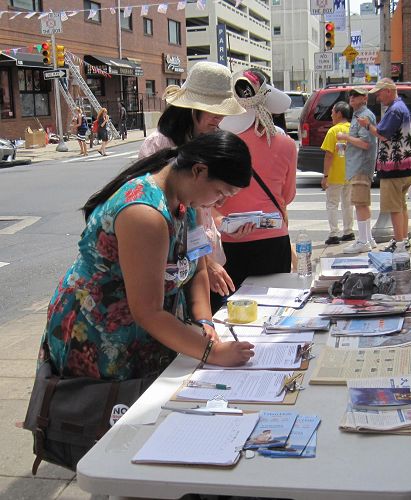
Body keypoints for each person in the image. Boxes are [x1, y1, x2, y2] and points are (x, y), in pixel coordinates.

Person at [38, 130, 255, 381]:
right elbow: (147, 310)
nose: (219, 203)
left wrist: (205, 321)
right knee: (102, 411)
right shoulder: (145, 213)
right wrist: (213, 352)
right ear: (199, 171)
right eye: (220, 193)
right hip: (99, 330)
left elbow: (198, 269)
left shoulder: (188, 202)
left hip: (148, 328)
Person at [139, 61, 252, 301]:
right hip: (174, 263)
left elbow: (200, 210)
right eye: (214, 110)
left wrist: (222, 224)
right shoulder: (160, 145)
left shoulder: (205, 139)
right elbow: (173, 212)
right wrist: (205, 262)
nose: (219, 118)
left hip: (202, 257)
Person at [215, 69, 297, 312]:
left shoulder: (221, 144)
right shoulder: (285, 144)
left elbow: (208, 201)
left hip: (230, 239)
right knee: (273, 309)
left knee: (234, 313)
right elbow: (288, 195)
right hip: (273, 239)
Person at [357, 78, 411, 253]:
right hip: (405, 167)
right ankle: (402, 240)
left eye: (380, 93)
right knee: (401, 205)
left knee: (394, 208)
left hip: (394, 168)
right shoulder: (400, 108)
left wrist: (367, 125)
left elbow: (382, 134)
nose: (378, 97)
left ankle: (399, 244)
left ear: (389, 91)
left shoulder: (395, 110)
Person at [337, 87, 377, 254]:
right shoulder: (358, 115)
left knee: (360, 203)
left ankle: (363, 240)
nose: (352, 98)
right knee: (362, 203)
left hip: (360, 165)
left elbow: (366, 143)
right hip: (358, 164)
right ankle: (367, 238)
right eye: (351, 96)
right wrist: (348, 144)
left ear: (364, 98)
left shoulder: (364, 116)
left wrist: (346, 137)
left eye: (356, 96)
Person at [320, 101, 354, 245]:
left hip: (335, 175)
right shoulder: (353, 129)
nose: (331, 114)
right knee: (348, 204)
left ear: (339, 114)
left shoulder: (333, 131)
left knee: (332, 204)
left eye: (333, 111)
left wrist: (325, 176)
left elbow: (329, 155)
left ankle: (334, 233)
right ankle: (348, 231)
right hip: (351, 173)